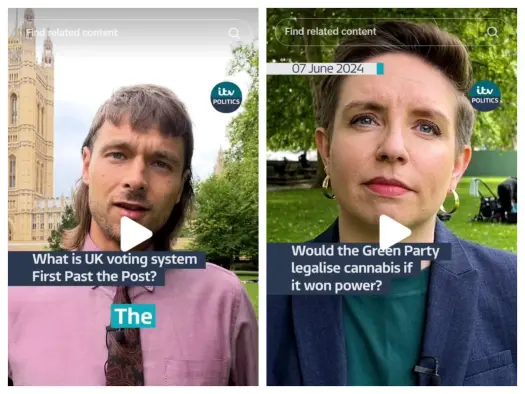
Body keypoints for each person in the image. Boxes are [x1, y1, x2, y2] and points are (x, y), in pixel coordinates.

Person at [267, 21, 516, 386]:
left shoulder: (514, 288)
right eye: (365, 119)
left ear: (457, 167)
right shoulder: (270, 300)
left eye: (427, 126)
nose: (394, 148)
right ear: (327, 150)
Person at [9, 84, 258, 386]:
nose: (136, 180)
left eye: (160, 163)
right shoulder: (14, 297)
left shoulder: (225, 302)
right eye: (118, 155)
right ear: (86, 165)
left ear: (181, 186)